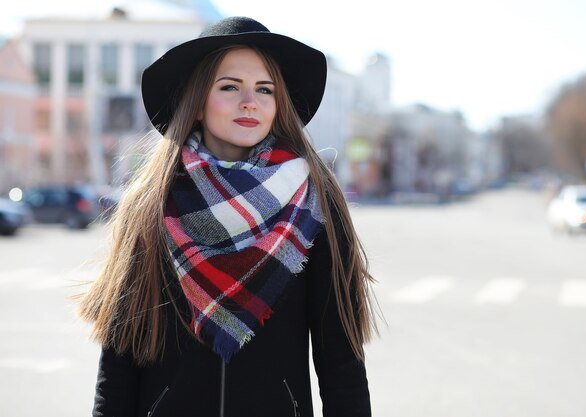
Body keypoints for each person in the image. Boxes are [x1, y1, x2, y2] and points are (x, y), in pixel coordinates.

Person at [78, 16, 378, 417]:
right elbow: (118, 362)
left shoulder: (314, 204)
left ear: (278, 104)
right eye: (229, 87)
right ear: (198, 102)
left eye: (264, 89)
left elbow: (341, 363)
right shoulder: (151, 204)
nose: (249, 101)